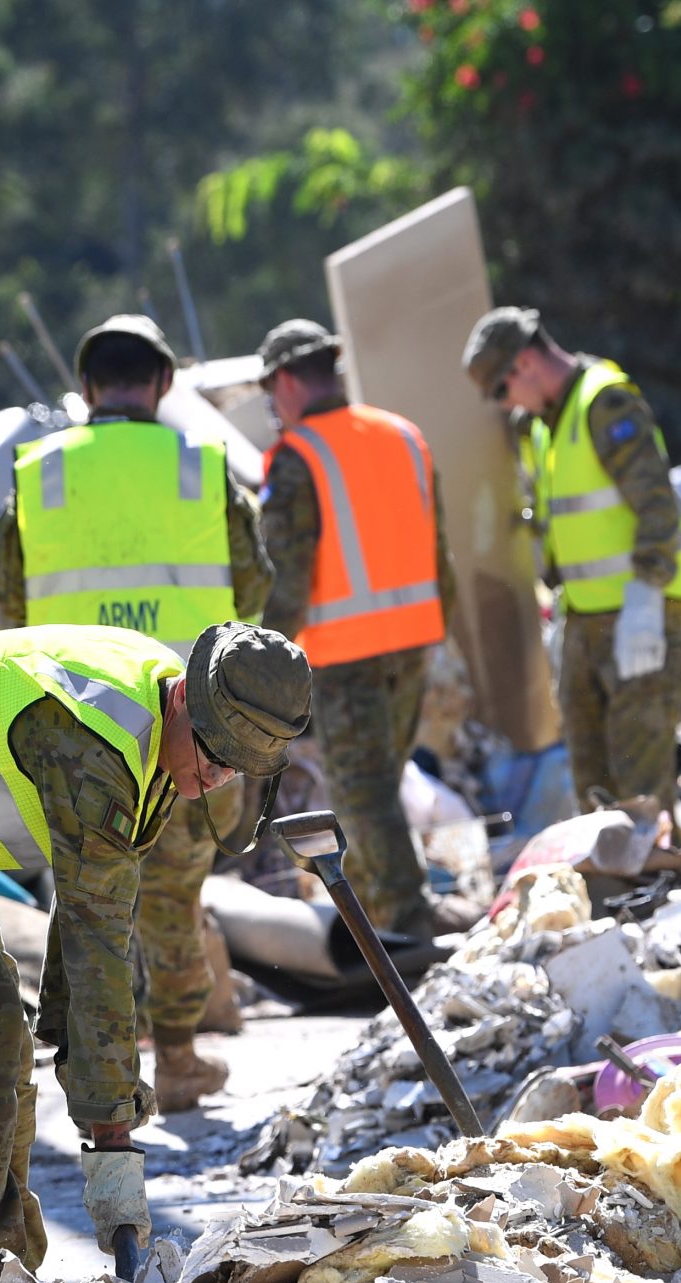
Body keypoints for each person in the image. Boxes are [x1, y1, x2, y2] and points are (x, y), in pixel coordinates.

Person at [0, 622, 310, 1273]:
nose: (217, 775)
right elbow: (97, 948)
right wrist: (110, 1129)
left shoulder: (165, 721)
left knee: (5, 1030)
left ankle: (4, 1265)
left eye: (237, 767)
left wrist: (83, 1062)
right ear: (184, 698)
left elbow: (99, 918)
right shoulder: (95, 742)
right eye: (214, 754)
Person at [0, 314, 276, 1112]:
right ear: (164, 384)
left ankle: (95, 1068)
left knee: (89, 898)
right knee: (175, 896)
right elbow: (253, 587)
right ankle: (177, 1058)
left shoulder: (38, 474)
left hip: (72, 722)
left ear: (85, 387)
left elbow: (10, 600)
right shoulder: (203, 469)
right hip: (193, 720)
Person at [255, 317, 457, 938]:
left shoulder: (299, 457)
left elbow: (288, 579)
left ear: (287, 380)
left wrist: (258, 665)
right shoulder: (403, 435)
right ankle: (378, 919)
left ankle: (406, 924)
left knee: (364, 795)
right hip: (412, 644)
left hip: (346, 657)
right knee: (379, 789)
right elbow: (440, 554)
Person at [461, 306, 681, 808]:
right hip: (586, 616)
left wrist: (646, 598)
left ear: (525, 363)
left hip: (638, 612)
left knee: (640, 777)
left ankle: (650, 860)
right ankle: (613, 861)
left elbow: (658, 506)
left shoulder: (605, 403)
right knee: (592, 777)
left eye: (502, 390)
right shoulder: (545, 426)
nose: (505, 405)